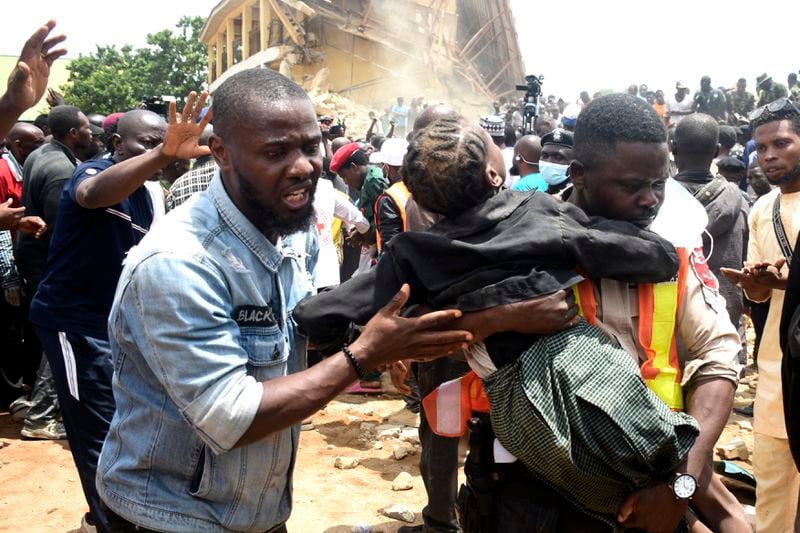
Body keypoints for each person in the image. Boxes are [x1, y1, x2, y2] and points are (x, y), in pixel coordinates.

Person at [94, 68, 473, 533]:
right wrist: (366, 353)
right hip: (174, 517)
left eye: (311, 146)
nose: (303, 166)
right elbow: (230, 417)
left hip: (258, 511)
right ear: (221, 154)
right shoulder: (178, 263)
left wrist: (392, 338)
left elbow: (290, 342)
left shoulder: (288, 232)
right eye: (275, 152)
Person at [29, 96, 211, 531]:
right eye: (148, 141)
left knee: (123, 424)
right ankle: (110, 521)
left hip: (114, 325)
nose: (161, 147)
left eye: (163, 141)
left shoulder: (149, 198)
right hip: (73, 322)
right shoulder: (90, 173)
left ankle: (117, 511)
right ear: (116, 143)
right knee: (96, 428)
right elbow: (93, 195)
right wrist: (163, 153)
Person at [720, 96, 800, 532]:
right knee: (773, 489)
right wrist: (754, 284)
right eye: (761, 147)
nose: (769, 155)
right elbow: (762, 297)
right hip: (776, 369)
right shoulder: (761, 210)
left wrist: (789, 280)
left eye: (782, 144)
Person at [672, 114, 749, 367]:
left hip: (669, 334)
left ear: (673, 149)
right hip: (723, 331)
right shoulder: (740, 203)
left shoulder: (654, 203)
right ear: (716, 151)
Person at [539, 128, 574, 195]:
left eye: (558, 157)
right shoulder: (539, 196)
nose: (549, 162)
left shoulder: (576, 200)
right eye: (545, 156)